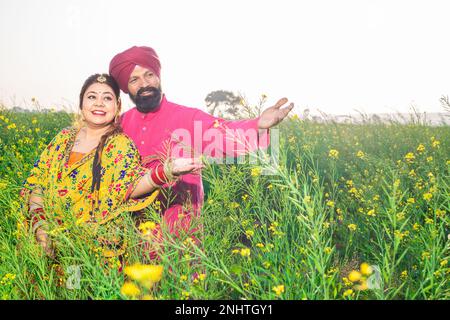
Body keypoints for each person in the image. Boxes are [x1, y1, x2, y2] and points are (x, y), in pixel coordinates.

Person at [109, 46, 294, 251]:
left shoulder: (187, 117)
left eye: (149, 75)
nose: (144, 84)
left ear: (158, 77)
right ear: (127, 88)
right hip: (134, 240)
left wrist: (257, 124)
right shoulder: (121, 125)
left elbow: (224, 134)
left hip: (181, 238)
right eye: (134, 80)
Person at [21, 73, 202, 258]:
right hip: (44, 241)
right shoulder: (63, 138)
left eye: (107, 98)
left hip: (87, 250)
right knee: (42, 286)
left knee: (73, 286)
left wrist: (167, 171)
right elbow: (38, 182)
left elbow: (128, 186)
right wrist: (41, 227)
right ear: (81, 104)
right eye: (92, 97)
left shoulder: (119, 145)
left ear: (117, 106)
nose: (99, 103)